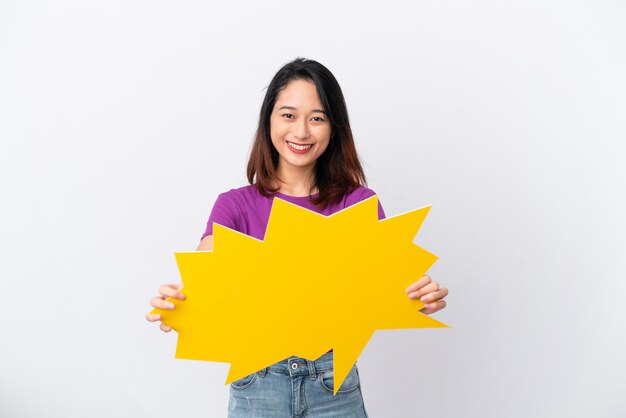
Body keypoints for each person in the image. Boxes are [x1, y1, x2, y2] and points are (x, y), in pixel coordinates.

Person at [146, 57, 449, 417]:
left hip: (333, 385)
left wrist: (421, 296)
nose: (301, 132)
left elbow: (389, 287)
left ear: (334, 128)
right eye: (288, 115)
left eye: (317, 118)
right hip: (258, 386)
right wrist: (181, 304)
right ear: (268, 121)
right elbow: (204, 280)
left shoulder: (359, 204)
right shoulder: (234, 206)